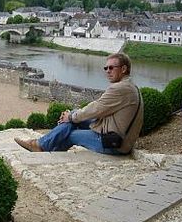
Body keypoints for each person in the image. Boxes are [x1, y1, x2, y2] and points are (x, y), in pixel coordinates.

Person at [15, 53, 143, 155]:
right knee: (73, 117)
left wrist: (71, 117)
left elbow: (95, 108)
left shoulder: (121, 88)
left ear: (124, 69)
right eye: (106, 68)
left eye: (111, 68)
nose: (107, 71)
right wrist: (72, 115)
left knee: (70, 133)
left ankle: (44, 149)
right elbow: (98, 106)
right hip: (113, 135)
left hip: (114, 143)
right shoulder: (130, 86)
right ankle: (41, 146)